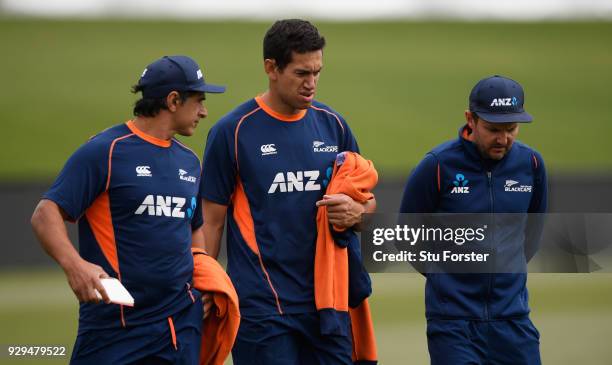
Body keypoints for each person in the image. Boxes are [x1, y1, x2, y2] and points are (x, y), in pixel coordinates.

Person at [199, 19, 376, 365]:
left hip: (330, 304)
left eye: (317, 72)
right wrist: (205, 283)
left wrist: (360, 214)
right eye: (301, 73)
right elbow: (211, 222)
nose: (311, 83)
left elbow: (366, 201)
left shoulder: (334, 125)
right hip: (262, 306)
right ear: (271, 68)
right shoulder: (232, 133)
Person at [30, 55, 225, 364]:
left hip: (181, 326)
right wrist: (75, 266)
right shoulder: (105, 150)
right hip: (116, 329)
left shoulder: (190, 162)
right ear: (174, 100)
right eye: (199, 100)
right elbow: (45, 213)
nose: (204, 111)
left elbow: (194, 228)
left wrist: (203, 283)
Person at [400, 75, 547, 364]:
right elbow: (407, 234)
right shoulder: (437, 165)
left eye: (511, 129)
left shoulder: (531, 164)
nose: (503, 139)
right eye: (493, 129)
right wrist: (445, 276)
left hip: (513, 321)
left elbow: (531, 236)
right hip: (453, 325)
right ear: (471, 119)